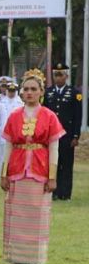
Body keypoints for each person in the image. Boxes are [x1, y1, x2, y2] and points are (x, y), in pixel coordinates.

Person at [1, 69, 65, 264]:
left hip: (39, 169)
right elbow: (8, 146)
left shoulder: (49, 116)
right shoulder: (13, 116)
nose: (29, 92)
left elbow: (54, 147)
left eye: (33, 89)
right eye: (26, 89)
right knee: (17, 214)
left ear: (40, 92)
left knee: (37, 215)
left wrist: (52, 177)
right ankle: (17, 257)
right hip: (18, 169)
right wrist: (4, 174)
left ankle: (35, 259)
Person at [44, 63, 81, 201]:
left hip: (67, 135)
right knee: (53, 163)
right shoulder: (48, 92)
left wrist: (76, 135)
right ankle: (53, 191)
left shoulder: (74, 93)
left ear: (66, 76)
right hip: (51, 135)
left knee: (66, 164)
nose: (58, 78)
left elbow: (78, 115)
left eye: (60, 75)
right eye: (55, 75)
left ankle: (65, 193)